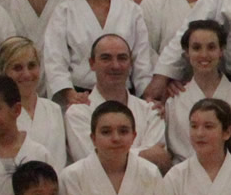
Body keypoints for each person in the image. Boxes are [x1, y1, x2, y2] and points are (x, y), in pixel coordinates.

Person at [43, 0, 154, 103]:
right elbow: (55, 61)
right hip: (80, 98)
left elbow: (142, 64)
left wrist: (147, 97)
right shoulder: (64, 12)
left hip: (124, 99)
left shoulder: (132, 11)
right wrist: (70, 94)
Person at [63, 34, 169, 167]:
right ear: (92, 63)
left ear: (130, 63)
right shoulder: (77, 113)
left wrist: (109, 154)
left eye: (122, 58)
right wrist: (144, 154)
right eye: (106, 58)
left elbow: (158, 160)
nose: (115, 65)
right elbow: (91, 162)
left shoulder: (151, 110)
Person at [164, 20, 231, 166]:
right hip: (185, 177)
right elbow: (169, 152)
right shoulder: (173, 101)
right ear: (187, 53)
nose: (204, 54)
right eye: (196, 48)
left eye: (211, 47)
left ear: (221, 51)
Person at [0, 37, 68, 167]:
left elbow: (60, 159)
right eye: (17, 68)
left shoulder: (54, 109)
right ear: (3, 72)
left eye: (32, 66)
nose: (27, 74)